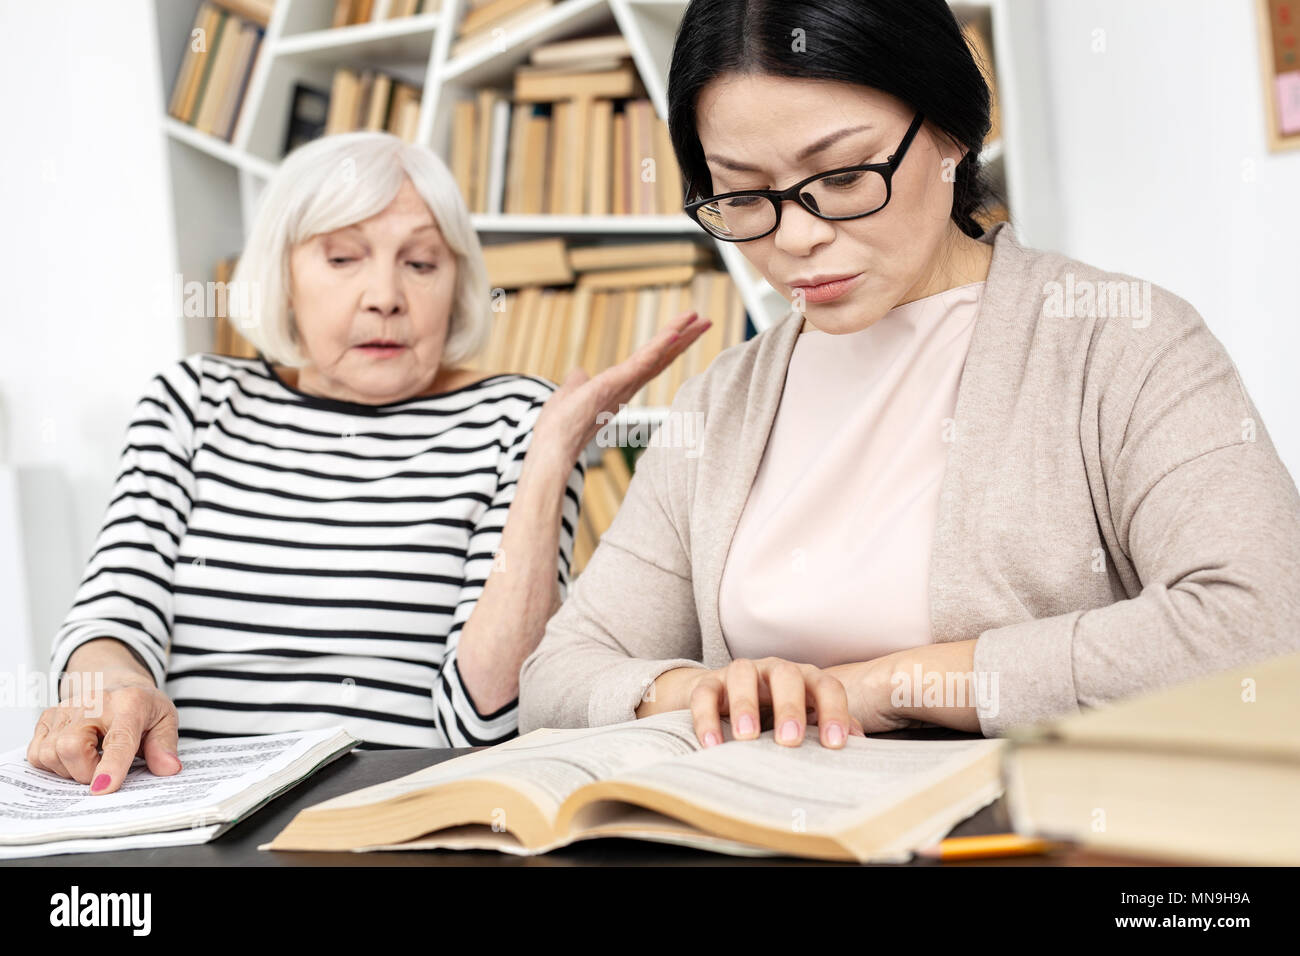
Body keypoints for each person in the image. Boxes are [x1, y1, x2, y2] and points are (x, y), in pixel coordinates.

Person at [518, 0, 1300, 749]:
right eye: (745, 194)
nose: (795, 236)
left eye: (845, 177)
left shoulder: (1120, 339)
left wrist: (882, 690)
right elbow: (558, 675)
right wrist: (708, 696)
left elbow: (1260, 625)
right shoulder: (725, 399)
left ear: (952, 133)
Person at [28, 131, 710, 794]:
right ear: (284, 275)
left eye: (420, 264)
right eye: (343, 258)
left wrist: (552, 455)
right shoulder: (193, 401)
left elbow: (484, 723)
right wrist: (117, 689)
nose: (385, 295)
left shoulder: (518, 420)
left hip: (394, 812)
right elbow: (113, 615)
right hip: (188, 806)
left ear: (457, 287)